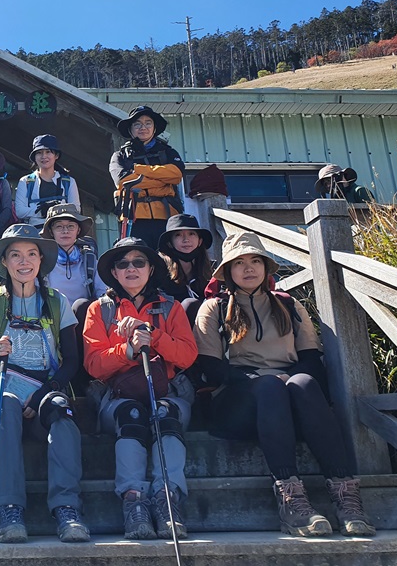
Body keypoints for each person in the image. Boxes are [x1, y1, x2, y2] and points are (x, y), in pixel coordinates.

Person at [193, 232, 375, 537]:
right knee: (269, 387)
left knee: (304, 383)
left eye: (255, 261)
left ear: (266, 267)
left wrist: (287, 378)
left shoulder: (287, 304)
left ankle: (346, 496)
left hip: (288, 394)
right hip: (239, 401)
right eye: (238, 263)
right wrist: (264, 379)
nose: (248, 268)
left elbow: (310, 357)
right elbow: (211, 368)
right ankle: (291, 499)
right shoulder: (214, 307)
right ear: (227, 271)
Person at [0, 224, 90, 544]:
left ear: (40, 261)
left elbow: (72, 364)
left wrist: (40, 395)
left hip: (44, 393)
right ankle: (9, 509)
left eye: (31, 254)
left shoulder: (56, 301)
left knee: (62, 411)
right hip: (0, 396)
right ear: (5, 263)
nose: (24, 262)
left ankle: (67, 509)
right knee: (7, 404)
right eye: (15, 255)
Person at [83, 238, 197, 540]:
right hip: (117, 399)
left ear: (150, 268)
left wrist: (152, 335)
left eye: (139, 262)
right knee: (131, 414)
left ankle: (167, 498)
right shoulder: (99, 310)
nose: (131, 268)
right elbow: (93, 364)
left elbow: (187, 356)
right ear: (114, 273)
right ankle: (133, 501)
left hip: (166, 393)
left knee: (165, 413)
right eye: (123, 264)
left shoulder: (170, 308)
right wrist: (129, 352)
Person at [40, 202, 107, 393]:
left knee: (83, 306)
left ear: (78, 229)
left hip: (85, 320)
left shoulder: (90, 258)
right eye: (59, 226)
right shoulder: (41, 260)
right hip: (51, 318)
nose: (65, 231)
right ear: (51, 231)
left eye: (70, 226)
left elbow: (103, 293)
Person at [109, 106, 186, 248]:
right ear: (130, 129)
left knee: (168, 262)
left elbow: (176, 175)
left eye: (148, 123)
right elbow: (123, 182)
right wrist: (162, 182)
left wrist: (139, 170)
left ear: (154, 128)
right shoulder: (120, 156)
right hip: (134, 219)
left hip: (167, 217)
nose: (143, 127)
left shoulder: (168, 152)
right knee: (139, 260)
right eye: (137, 124)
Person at [156, 213, 214, 323]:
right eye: (178, 235)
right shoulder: (158, 273)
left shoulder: (212, 271)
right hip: (170, 329)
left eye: (191, 234)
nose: (186, 239)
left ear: (200, 241)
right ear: (169, 243)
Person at [14, 135, 80, 227]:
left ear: (56, 155)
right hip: (35, 233)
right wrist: (41, 212)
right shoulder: (25, 181)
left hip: (61, 232)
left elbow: (76, 209)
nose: (44, 156)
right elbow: (20, 211)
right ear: (35, 157)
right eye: (39, 153)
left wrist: (55, 211)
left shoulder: (69, 182)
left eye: (48, 152)